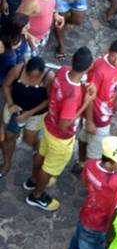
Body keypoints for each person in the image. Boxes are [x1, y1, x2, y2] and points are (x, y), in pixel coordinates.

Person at [25, 46, 96, 211]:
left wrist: (84, 85)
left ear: (72, 61)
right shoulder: (74, 95)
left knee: (41, 154)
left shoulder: (63, 71)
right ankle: (37, 195)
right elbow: (65, 124)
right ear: (89, 66)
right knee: (49, 168)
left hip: (48, 124)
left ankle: (33, 180)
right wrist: (86, 102)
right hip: (60, 138)